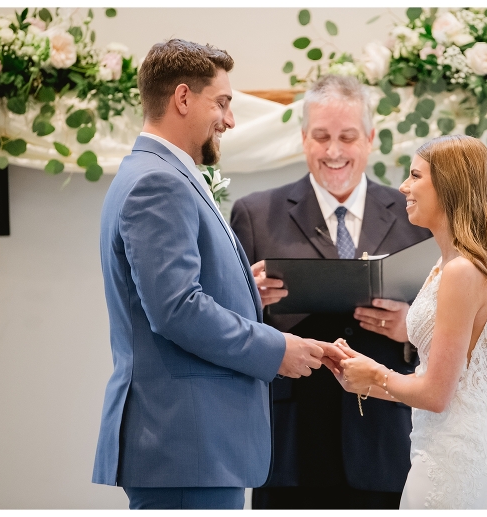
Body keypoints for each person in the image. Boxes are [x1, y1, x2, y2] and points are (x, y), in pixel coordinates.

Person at [91, 39, 344, 510]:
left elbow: (169, 294)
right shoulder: (158, 182)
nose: (229, 120)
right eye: (222, 102)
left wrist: (243, 290)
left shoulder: (158, 172)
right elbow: (176, 309)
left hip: (193, 445)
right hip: (186, 443)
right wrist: (277, 349)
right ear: (183, 98)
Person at [333, 134, 487, 509]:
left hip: (454, 458)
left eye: (415, 176)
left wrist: (375, 374)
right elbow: (441, 382)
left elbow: (437, 395)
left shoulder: (461, 271)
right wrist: (362, 380)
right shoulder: (447, 265)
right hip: (446, 445)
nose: (403, 187)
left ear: (448, 186)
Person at [229, 75, 431, 509]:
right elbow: (227, 328)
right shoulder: (255, 214)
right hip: (290, 443)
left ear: (370, 139)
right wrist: (247, 299)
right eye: (321, 137)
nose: (334, 151)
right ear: (303, 138)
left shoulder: (416, 217)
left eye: (347, 137)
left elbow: (452, 324)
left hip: (386, 440)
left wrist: (410, 329)